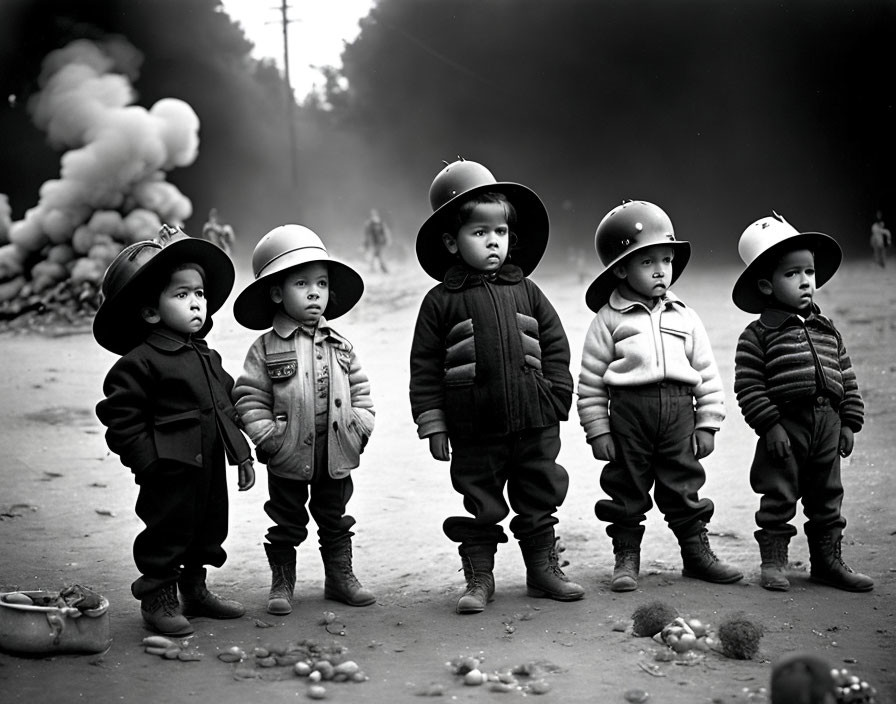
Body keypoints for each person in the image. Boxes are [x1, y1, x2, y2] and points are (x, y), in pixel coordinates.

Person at [409, 158, 584, 615]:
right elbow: (425, 368)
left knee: (538, 493)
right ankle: (480, 577)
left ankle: (543, 570)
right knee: (481, 502)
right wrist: (434, 424)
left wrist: (555, 397)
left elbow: (555, 346)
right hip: (474, 426)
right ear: (451, 241)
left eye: (500, 232)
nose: (492, 241)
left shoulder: (527, 290)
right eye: (479, 232)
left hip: (534, 420)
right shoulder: (439, 302)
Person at [93, 225, 256, 636]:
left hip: (209, 466)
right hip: (168, 468)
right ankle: (158, 595)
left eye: (199, 294)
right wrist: (147, 463)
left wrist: (242, 455)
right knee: (167, 531)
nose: (196, 303)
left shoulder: (206, 355)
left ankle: (195, 588)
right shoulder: (140, 362)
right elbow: (120, 417)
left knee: (209, 526)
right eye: (181, 295)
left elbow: (227, 406)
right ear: (150, 311)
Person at [577, 200, 742, 593]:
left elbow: (705, 372)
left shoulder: (685, 315)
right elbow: (590, 383)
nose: (660, 271)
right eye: (647, 262)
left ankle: (696, 554)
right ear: (620, 268)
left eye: (665, 260)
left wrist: (709, 421)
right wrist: (598, 430)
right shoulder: (608, 320)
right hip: (630, 416)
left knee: (683, 485)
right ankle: (626, 558)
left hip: (680, 412)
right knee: (626, 488)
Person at [231, 224, 376, 615]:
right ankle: (282, 583)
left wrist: (359, 427)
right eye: (301, 283)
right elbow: (249, 396)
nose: (315, 292)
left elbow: (361, 390)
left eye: (322, 283)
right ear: (277, 292)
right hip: (288, 452)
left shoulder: (340, 344)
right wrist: (268, 437)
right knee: (286, 520)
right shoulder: (265, 347)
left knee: (335, 517)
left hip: (335, 452)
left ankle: (340, 577)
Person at [732, 212, 873, 592]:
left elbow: (846, 376)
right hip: (785, 427)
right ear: (766, 284)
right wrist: (770, 425)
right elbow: (749, 386)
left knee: (827, 497)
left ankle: (827, 561)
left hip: (827, 424)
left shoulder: (827, 329)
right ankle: (774, 561)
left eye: (808, 272)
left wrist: (848, 422)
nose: (805, 281)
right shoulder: (758, 334)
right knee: (778, 495)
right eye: (791, 274)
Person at [363, 208, 391, 273]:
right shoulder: (370, 224)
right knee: (373, 257)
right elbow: (367, 235)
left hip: (379, 243)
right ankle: (374, 270)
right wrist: (366, 243)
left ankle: (383, 270)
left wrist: (387, 240)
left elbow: (385, 232)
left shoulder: (380, 223)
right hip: (374, 243)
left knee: (379, 257)